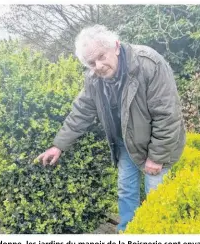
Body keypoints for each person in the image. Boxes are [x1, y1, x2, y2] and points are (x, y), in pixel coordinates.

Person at [36, 25, 186, 232]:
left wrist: (157, 157)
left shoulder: (149, 63)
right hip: (125, 142)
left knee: (156, 194)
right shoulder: (94, 79)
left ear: (115, 47)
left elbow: (168, 114)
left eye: (101, 56)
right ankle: (127, 230)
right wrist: (58, 145)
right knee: (126, 190)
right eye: (91, 62)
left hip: (156, 144)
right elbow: (81, 111)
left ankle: (155, 231)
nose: (98, 65)